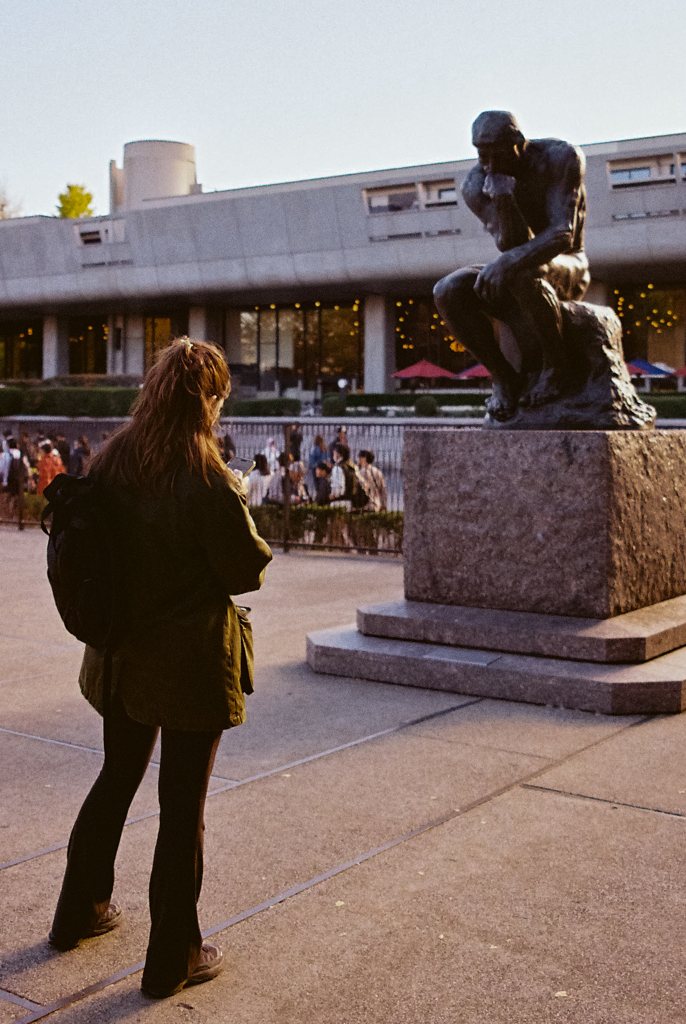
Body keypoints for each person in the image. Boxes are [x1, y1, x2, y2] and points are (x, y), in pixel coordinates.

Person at [48, 339, 272, 1000]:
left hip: (120, 657)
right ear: (208, 398)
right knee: (181, 808)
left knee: (116, 778)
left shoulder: (115, 457)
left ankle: (78, 911)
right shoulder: (204, 475)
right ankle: (173, 955)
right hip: (188, 664)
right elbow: (245, 569)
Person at [434, 110, 590, 421]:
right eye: (481, 154)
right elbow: (510, 244)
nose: (488, 163)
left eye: (496, 153)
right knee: (448, 290)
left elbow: (563, 233)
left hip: (569, 265)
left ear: (517, 142)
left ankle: (557, 366)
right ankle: (504, 377)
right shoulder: (476, 184)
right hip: (521, 264)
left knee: (520, 268)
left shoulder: (561, 158)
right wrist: (503, 198)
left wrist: (508, 261)